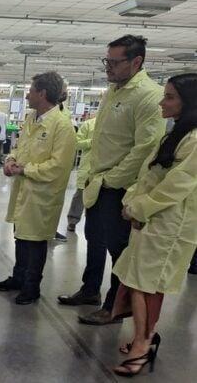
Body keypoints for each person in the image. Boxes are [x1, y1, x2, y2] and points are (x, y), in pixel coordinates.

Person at [57, 35, 166, 325]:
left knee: (119, 248)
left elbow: (145, 148)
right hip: (98, 181)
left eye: (115, 62)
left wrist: (112, 180)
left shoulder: (148, 95)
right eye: (107, 61)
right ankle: (90, 290)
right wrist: (96, 177)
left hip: (118, 187)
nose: (109, 68)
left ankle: (113, 306)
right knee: (93, 238)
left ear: (136, 62)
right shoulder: (113, 91)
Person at [110, 73, 197, 376]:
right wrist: (131, 202)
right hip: (149, 220)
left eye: (170, 97)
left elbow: (176, 186)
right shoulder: (174, 134)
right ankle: (141, 336)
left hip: (169, 226)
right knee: (136, 279)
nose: (163, 102)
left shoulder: (196, 140)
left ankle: (143, 346)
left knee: (145, 285)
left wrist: (140, 208)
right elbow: (149, 174)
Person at [0, 71, 76, 305]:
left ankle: (32, 287)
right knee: (21, 236)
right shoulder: (31, 119)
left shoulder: (62, 126)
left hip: (42, 195)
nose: (27, 95)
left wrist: (25, 170)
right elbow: (19, 148)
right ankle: (18, 278)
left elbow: (58, 167)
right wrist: (10, 161)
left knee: (36, 241)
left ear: (42, 93)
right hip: (24, 191)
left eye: (30, 91)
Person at [66, 115, 97, 232]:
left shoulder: (115, 126)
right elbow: (77, 143)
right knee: (80, 196)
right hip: (88, 167)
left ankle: (94, 224)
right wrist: (92, 142)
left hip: (106, 168)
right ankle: (73, 221)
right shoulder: (89, 124)